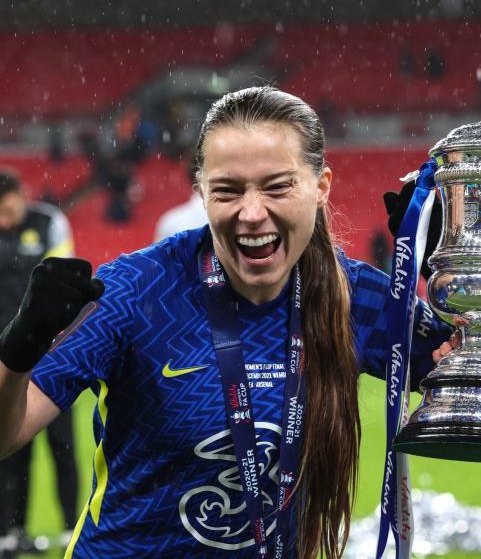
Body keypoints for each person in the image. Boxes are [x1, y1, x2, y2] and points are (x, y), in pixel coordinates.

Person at [0, 87, 450, 559]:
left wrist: (445, 275)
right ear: (201, 192)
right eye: (227, 190)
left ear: (321, 187)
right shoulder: (134, 293)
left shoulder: (355, 298)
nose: (252, 214)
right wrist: (17, 349)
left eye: (278, 186)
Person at [0, 170, 78, 556]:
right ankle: (11, 531)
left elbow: (62, 282)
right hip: (4, 362)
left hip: (51, 358)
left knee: (62, 443)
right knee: (10, 448)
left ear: (20, 195)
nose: (3, 217)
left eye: (7, 205)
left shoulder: (48, 222)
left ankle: (69, 528)